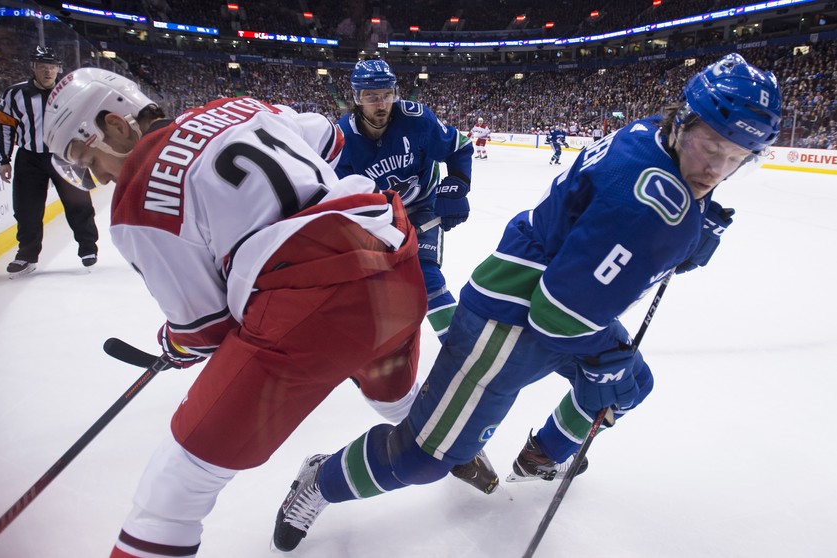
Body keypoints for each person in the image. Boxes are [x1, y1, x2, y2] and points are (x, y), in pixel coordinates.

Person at [272, 52, 781, 552]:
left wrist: (689, 230)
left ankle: (544, 454)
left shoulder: (650, 133)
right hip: (509, 322)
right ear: (684, 121)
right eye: (710, 144)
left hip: (563, 297)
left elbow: (590, 271)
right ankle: (322, 479)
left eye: (735, 156)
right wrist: (675, 250)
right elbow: (558, 316)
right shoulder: (655, 208)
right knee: (423, 460)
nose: (716, 167)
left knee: (631, 385)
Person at [43, 67, 429, 558]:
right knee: (397, 396)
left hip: (310, 313)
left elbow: (205, 329)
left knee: (176, 486)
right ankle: (443, 444)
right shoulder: (237, 106)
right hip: (392, 261)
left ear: (117, 123)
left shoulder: (137, 199)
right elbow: (330, 139)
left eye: (86, 156)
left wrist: (173, 344)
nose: (96, 175)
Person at [332, 60, 496, 494]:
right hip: (373, 222)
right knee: (375, 303)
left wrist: (456, 184)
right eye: (371, 95)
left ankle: (465, 353)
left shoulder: (418, 120)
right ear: (356, 96)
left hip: (420, 212)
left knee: (427, 280)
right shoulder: (339, 140)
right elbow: (325, 197)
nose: (380, 103)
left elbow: (460, 148)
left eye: (386, 93)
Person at [0, 46, 99, 277]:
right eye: (42, 66)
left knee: (79, 204)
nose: (48, 71)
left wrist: (88, 151)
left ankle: (88, 248)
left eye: (52, 66)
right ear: (33, 68)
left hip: (66, 154)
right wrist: (4, 159)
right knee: (26, 209)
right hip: (29, 158)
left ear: (58, 68)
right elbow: (4, 127)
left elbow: (88, 122)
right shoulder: (14, 94)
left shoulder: (73, 91)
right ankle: (27, 255)